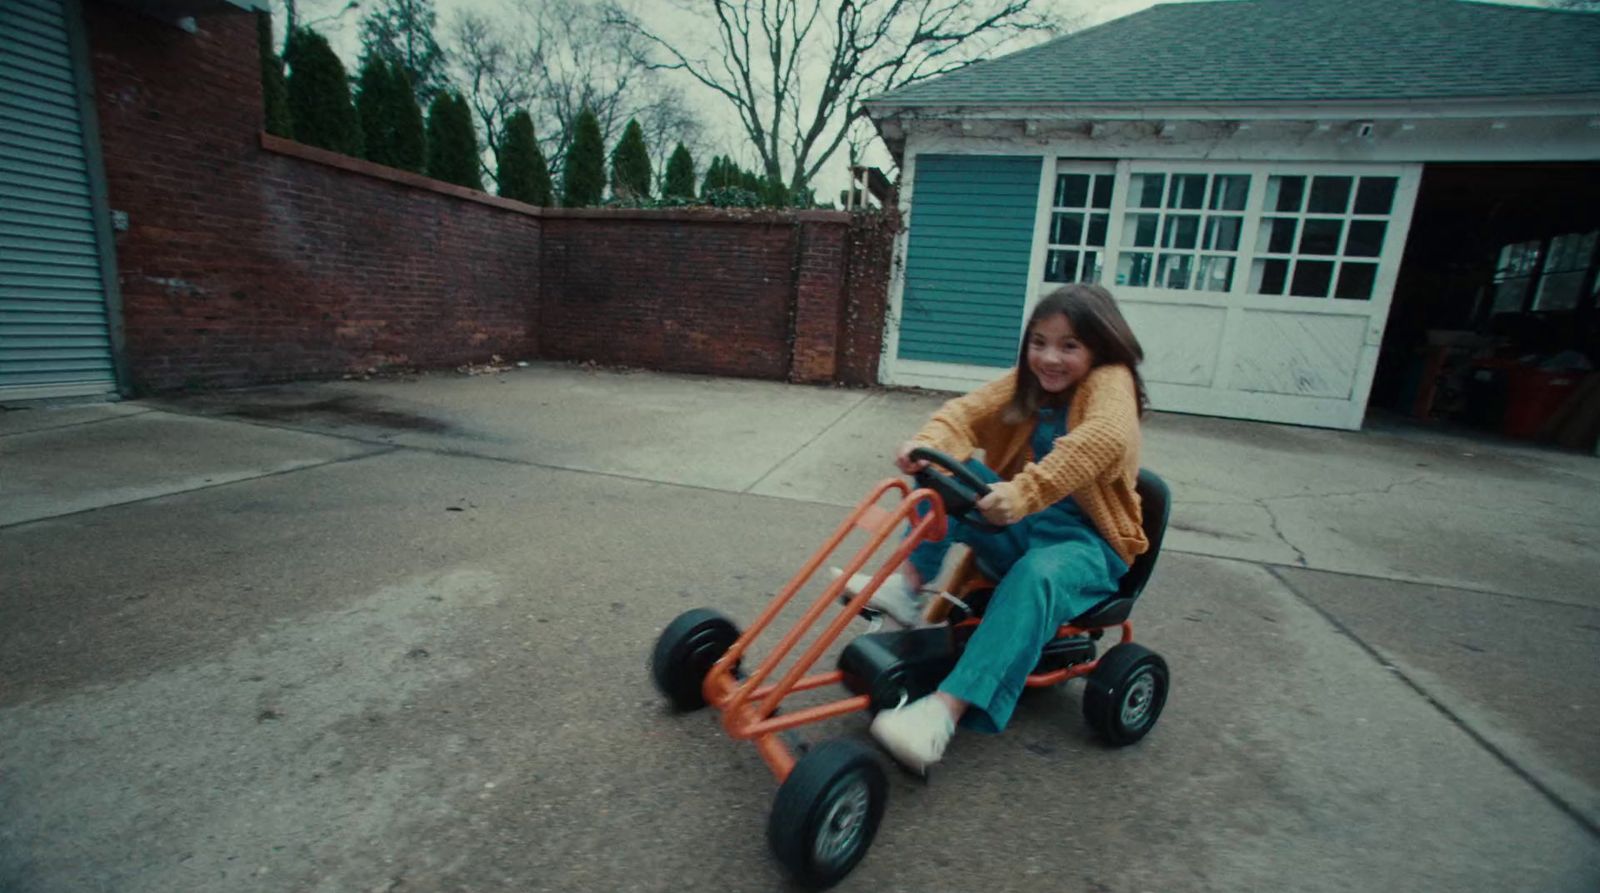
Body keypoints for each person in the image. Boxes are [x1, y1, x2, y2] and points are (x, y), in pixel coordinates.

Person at [838, 283, 1150, 773]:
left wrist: (1024, 492)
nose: (1050, 357)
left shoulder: (1112, 382)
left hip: (1087, 545)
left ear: (1099, 346)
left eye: (1069, 346)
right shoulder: (1028, 382)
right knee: (938, 475)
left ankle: (943, 713)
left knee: (1037, 574)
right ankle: (909, 588)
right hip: (1027, 521)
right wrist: (925, 443)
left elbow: (1102, 439)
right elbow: (964, 413)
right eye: (1039, 342)